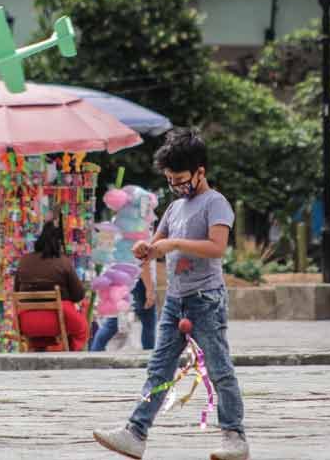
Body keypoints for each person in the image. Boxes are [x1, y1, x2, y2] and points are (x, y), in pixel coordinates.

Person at [93, 128, 248, 460]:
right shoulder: (175, 208)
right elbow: (156, 244)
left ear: (200, 171)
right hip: (175, 301)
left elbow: (217, 247)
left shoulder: (215, 203)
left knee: (219, 368)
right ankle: (136, 432)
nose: (176, 185)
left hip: (205, 300)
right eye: (170, 179)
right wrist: (144, 249)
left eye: (180, 178)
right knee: (159, 368)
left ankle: (235, 435)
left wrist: (175, 244)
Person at [14, 218, 89, 351]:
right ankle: (70, 354)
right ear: (58, 244)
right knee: (81, 327)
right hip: (57, 321)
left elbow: (16, 291)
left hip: (26, 322)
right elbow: (79, 295)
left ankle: (40, 351)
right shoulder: (63, 262)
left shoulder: (24, 261)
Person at [89, 260, 157, 352]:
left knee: (113, 322)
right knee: (148, 322)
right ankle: (149, 357)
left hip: (121, 276)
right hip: (137, 280)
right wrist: (149, 289)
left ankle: (95, 350)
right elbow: (143, 263)